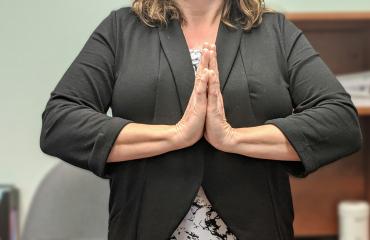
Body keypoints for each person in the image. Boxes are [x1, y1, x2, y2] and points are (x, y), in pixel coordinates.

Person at [39, 0, 363, 239]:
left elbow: (339, 122)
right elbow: (61, 123)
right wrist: (176, 135)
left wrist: (232, 138)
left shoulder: (275, 31)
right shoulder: (120, 30)